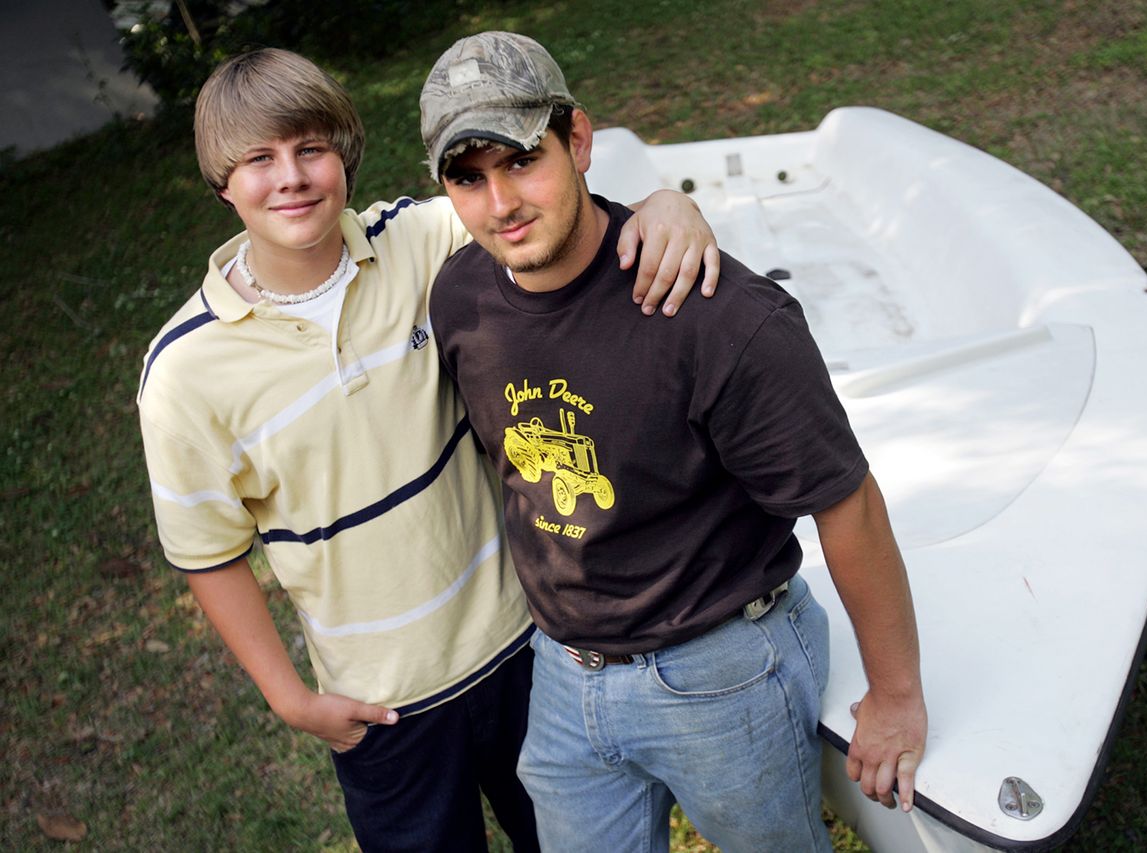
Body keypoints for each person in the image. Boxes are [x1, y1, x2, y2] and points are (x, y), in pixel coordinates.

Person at [136, 47, 721, 853]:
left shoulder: (416, 239)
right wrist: (289, 697)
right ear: (220, 181)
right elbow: (208, 553)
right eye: (259, 160)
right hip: (383, 706)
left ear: (343, 150)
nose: (292, 178)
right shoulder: (185, 372)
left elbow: (541, 198)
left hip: (528, 650)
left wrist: (664, 205)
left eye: (310, 148)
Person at [423, 31, 928, 852]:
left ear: (578, 140)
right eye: (469, 178)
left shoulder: (716, 315)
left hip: (724, 669)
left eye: (521, 161)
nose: (502, 202)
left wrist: (898, 692)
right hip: (563, 672)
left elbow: (848, 504)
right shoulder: (459, 297)